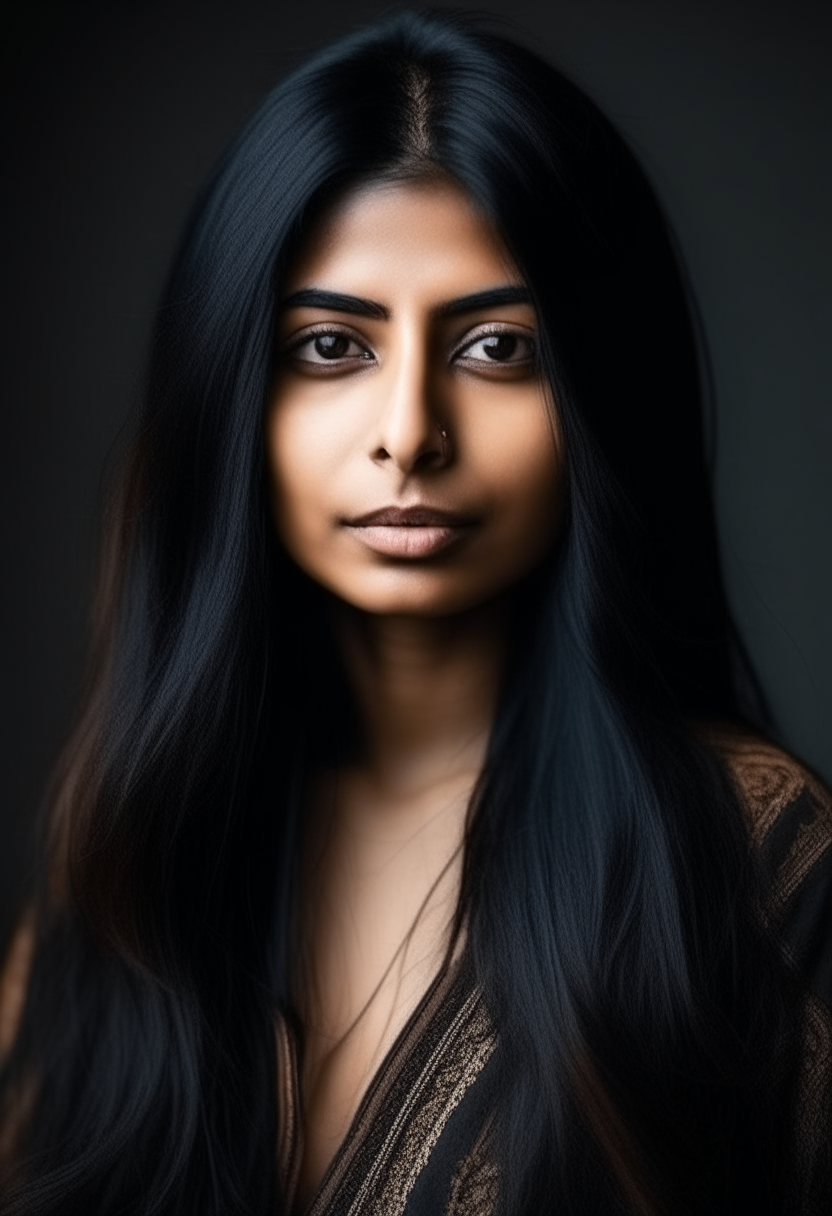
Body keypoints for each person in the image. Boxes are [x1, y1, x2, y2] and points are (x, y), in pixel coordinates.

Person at [1, 10, 830, 1214]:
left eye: (496, 347)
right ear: (229, 391)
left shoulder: (753, 865)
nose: (409, 431)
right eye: (331, 345)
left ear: (600, 394)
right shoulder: (126, 876)